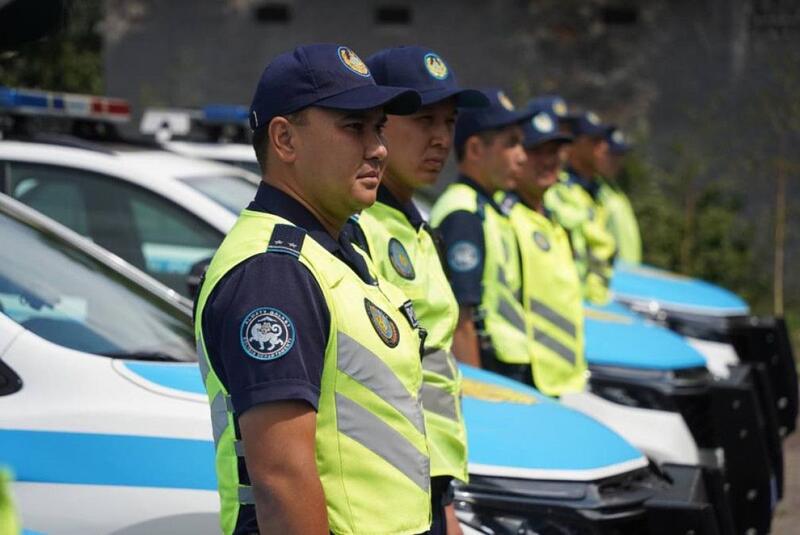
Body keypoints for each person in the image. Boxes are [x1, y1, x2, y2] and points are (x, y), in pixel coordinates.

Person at [194, 44, 433, 535]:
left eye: (379, 128)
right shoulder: (274, 273)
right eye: (354, 127)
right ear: (284, 139)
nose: (378, 148)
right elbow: (283, 482)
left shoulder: (336, 247)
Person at [346, 46, 488, 535]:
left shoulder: (415, 226)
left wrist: (444, 497)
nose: (442, 138)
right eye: (425, 120)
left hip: (429, 481)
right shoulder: (359, 228)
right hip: (389, 489)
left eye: (449, 122)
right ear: (378, 126)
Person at [429, 89, 532, 384]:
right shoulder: (464, 212)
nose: (522, 157)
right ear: (475, 149)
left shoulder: (487, 207)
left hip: (505, 366)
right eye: (511, 144)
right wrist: (478, 392)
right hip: (488, 372)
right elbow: (462, 319)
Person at [500, 103, 588, 397]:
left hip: (560, 376)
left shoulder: (552, 218)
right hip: (524, 378)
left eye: (554, 152)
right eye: (537, 151)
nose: (548, 161)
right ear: (518, 155)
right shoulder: (505, 218)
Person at [543, 110, 617, 304]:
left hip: (591, 302)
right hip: (565, 300)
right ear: (574, 145)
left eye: (603, 141)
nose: (603, 147)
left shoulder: (600, 194)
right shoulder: (557, 190)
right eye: (595, 141)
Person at [597, 126, 642, 264]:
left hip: (628, 272)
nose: (616, 161)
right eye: (611, 155)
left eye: (620, 155)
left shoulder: (617, 192)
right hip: (609, 271)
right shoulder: (594, 192)